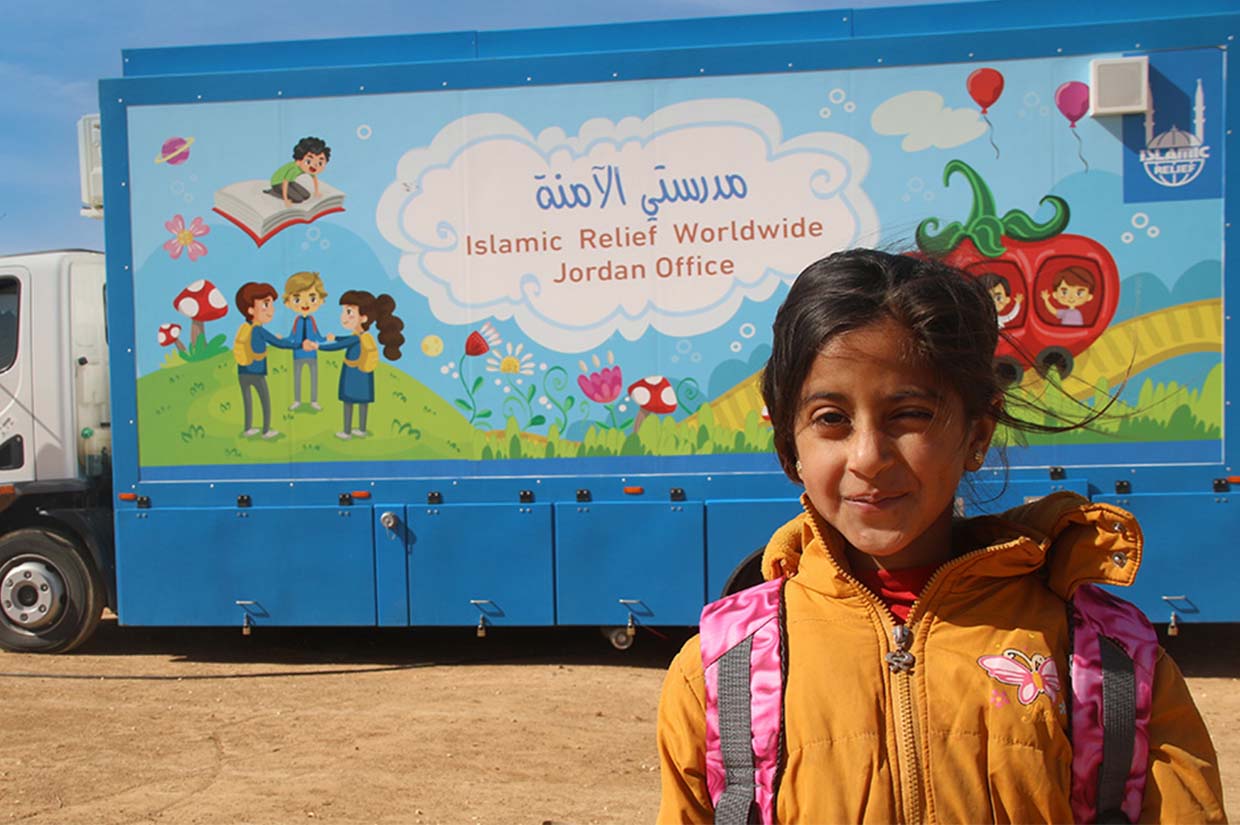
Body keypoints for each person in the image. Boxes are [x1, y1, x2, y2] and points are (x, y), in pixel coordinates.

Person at [656, 249, 1225, 823]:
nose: (868, 457)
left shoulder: (1107, 662)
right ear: (789, 444)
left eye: (909, 415)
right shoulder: (724, 673)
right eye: (831, 418)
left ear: (977, 432)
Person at [308, 290, 405, 440]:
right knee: (362, 403)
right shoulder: (362, 336)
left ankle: (347, 431)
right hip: (362, 373)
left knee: (349, 402)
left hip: (353, 373)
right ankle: (361, 429)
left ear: (363, 318)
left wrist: (318, 347)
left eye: (349, 312)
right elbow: (346, 340)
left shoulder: (357, 338)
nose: (344, 317)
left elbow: (339, 346)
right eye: (344, 312)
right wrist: (336, 337)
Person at [233, 282, 298, 439]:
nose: (271, 310)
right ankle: (266, 430)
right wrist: (300, 345)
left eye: (271, 304)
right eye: (265, 305)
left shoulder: (245, 327)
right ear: (250, 310)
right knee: (265, 401)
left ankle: (248, 428)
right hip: (256, 372)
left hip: (243, 371)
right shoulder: (258, 330)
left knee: (248, 401)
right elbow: (279, 344)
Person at [282, 271, 332, 410]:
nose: (304, 303)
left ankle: (313, 400)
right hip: (298, 354)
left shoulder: (312, 321)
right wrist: (282, 339)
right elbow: (292, 336)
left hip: (312, 355)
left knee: (313, 378)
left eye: (312, 298)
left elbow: (317, 336)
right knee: (297, 378)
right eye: (297, 299)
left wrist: (325, 339)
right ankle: (297, 400)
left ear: (320, 300)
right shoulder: (297, 321)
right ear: (288, 302)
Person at [265, 136, 331, 207]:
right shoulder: (294, 169)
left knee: (307, 195)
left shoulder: (309, 168)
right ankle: (273, 191)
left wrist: (317, 191)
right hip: (278, 182)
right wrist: (286, 199)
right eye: (308, 161)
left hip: (290, 181)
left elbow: (314, 177)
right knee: (298, 199)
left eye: (320, 163)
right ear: (299, 160)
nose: (315, 165)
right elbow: (285, 182)